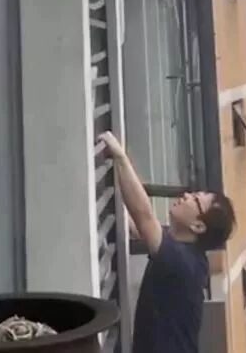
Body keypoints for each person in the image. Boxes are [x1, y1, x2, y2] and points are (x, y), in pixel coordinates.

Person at [99, 131, 236, 353]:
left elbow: (143, 215)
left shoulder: (182, 262)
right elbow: (137, 226)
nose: (187, 196)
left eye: (195, 200)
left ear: (198, 226)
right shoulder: (183, 250)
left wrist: (120, 157)